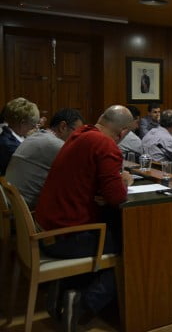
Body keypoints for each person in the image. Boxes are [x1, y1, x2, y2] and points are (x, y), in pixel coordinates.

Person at [34, 105, 134, 331]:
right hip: (66, 237)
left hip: (49, 229)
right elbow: (116, 197)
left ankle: (67, 292)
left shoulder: (80, 134)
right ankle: (83, 302)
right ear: (123, 133)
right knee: (136, 244)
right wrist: (124, 181)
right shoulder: (106, 144)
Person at [5, 108, 84, 209]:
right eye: (77, 134)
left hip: (12, 209)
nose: (78, 139)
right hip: (24, 214)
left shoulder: (39, 136)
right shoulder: (54, 144)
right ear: (63, 127)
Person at [0, 97, 40, 175]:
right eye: (32, 124)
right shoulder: (10, 145)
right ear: (22, 123)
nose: (34, 128)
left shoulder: (9, 135)